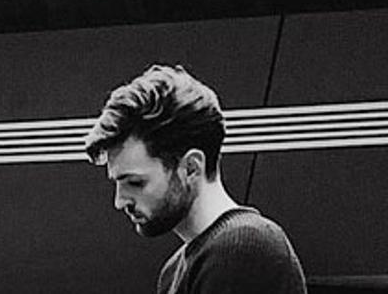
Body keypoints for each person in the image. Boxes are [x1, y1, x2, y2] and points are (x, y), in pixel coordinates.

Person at [85, 64, 307, 294]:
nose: (120, 201)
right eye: (117, 182)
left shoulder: (242, 247)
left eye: (135, 182)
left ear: (191, 167)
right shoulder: (175, 270)